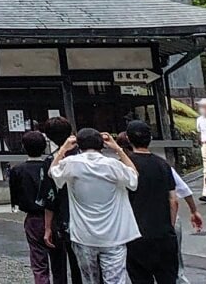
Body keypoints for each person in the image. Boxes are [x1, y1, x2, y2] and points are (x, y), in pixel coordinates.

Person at [50, 126, 139, 284]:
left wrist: (63, 148)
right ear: (102, 144)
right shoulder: (113, 165)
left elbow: (53, 172)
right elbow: (134, 178)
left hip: (83, 233)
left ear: (78, 145)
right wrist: (118, 149)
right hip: (114, 234)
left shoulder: (71, 163)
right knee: (116, 280)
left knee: (89, 279)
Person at [124, 122, 180, 284]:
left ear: (128, 138)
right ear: (150, 138)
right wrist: (169, 225)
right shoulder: (163, 164)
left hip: (136, 234)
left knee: (140, 279)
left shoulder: (126, 166)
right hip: (163, 234)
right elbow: (174, 200)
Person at [9, 129, 58, 284]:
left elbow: (15, 195)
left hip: (33, 218)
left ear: (24, 146)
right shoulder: (52, 167)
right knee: (59, 260)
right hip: (56, 217)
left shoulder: (18, 170)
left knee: (38, 260)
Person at [42, 116, 84, 284]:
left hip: (66, 218)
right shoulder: (86, 155)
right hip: (94, 216)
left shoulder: (52, 162)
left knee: (73, 264)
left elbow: (49, 198)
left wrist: (47, 227)